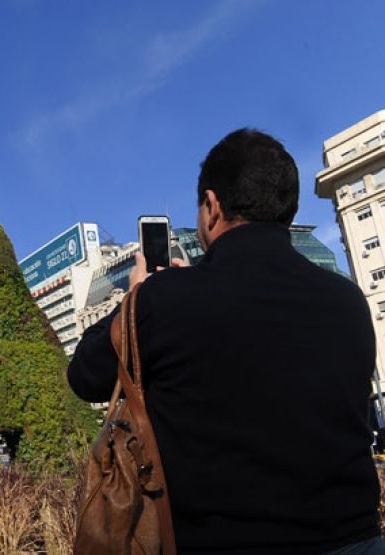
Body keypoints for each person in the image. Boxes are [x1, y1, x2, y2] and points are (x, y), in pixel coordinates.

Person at [68, 128, 382, 554]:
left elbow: (84, 373)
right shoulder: (348, 301)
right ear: (287, 209)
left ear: (212, 207)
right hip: (355, 540)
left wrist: (135, 296)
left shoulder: (162, 302)